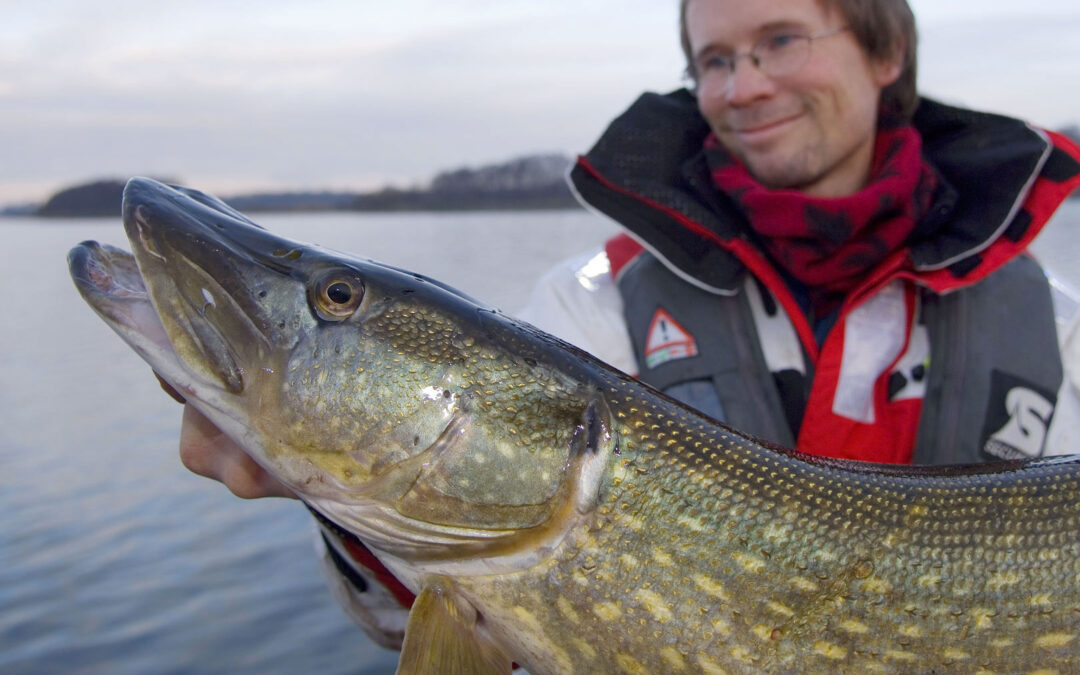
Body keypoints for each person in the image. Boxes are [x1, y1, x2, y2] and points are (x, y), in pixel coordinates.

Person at [171, 0, 1080, 651]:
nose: (744, 84)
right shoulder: (591, 304)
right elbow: (419, 616)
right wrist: (344, 506)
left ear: (887, 53)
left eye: (779, 41)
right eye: (714, 60)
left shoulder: (1056, 326)